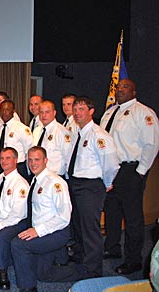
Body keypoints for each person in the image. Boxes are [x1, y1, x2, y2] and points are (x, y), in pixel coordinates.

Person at [100, 79, 159, 274]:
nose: (120, 90)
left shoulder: (143, 113)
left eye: (125, 87)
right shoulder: (109, 112)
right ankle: (112, 248)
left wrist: (140, 172)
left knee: (132, 217)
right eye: (118, 87)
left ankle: (133, 260)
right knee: (112, 212)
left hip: (130, 170)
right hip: (111, 170)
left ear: (134, 91)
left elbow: (151, 144)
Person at [65, 96, 119, 279]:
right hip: (76, 183)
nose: (77, 113)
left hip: (91, 186)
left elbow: (111, 164)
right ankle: (80, 259)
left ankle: (93, 270)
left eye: (81, 109)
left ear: (91, 111)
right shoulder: (77, 133)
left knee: (90, 230)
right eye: (75, 109)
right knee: (78, 226)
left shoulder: (99, 135)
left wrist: (106, 184)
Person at [11, 146, 72, 292]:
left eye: (37, 160)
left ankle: (28, 287)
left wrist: (37, 231)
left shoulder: (55, 183)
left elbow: (64, 217)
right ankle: (79, 269)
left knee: (18, 245)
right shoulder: (35, 180)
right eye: (30, 160)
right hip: (42, 230)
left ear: (46, 160)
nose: (33, 163)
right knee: (43, 274)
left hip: (56, 232)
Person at [0, 147, 29, 290]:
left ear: (16, 160)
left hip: (16, 222)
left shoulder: (20, 184)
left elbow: (16, 215)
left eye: (8, 158)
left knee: (1, 236)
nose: (4, 161)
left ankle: (2, 271)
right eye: (2, 158)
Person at [0, 100, 32, 179]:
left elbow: (29, 150)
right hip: (0, 167)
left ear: (13, 111)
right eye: (2, 110)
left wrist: (28, 170)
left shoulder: (21, 128)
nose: (4, 112)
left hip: (17, 168)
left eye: (7, 110)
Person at [32, 100, 71, 176]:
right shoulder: (37, 131)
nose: (44, 115)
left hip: (55, 176)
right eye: (41, 112)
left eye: (47, 112)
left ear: (54, 113)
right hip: (38, 175)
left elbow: (68, 157)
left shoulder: (62, 132)